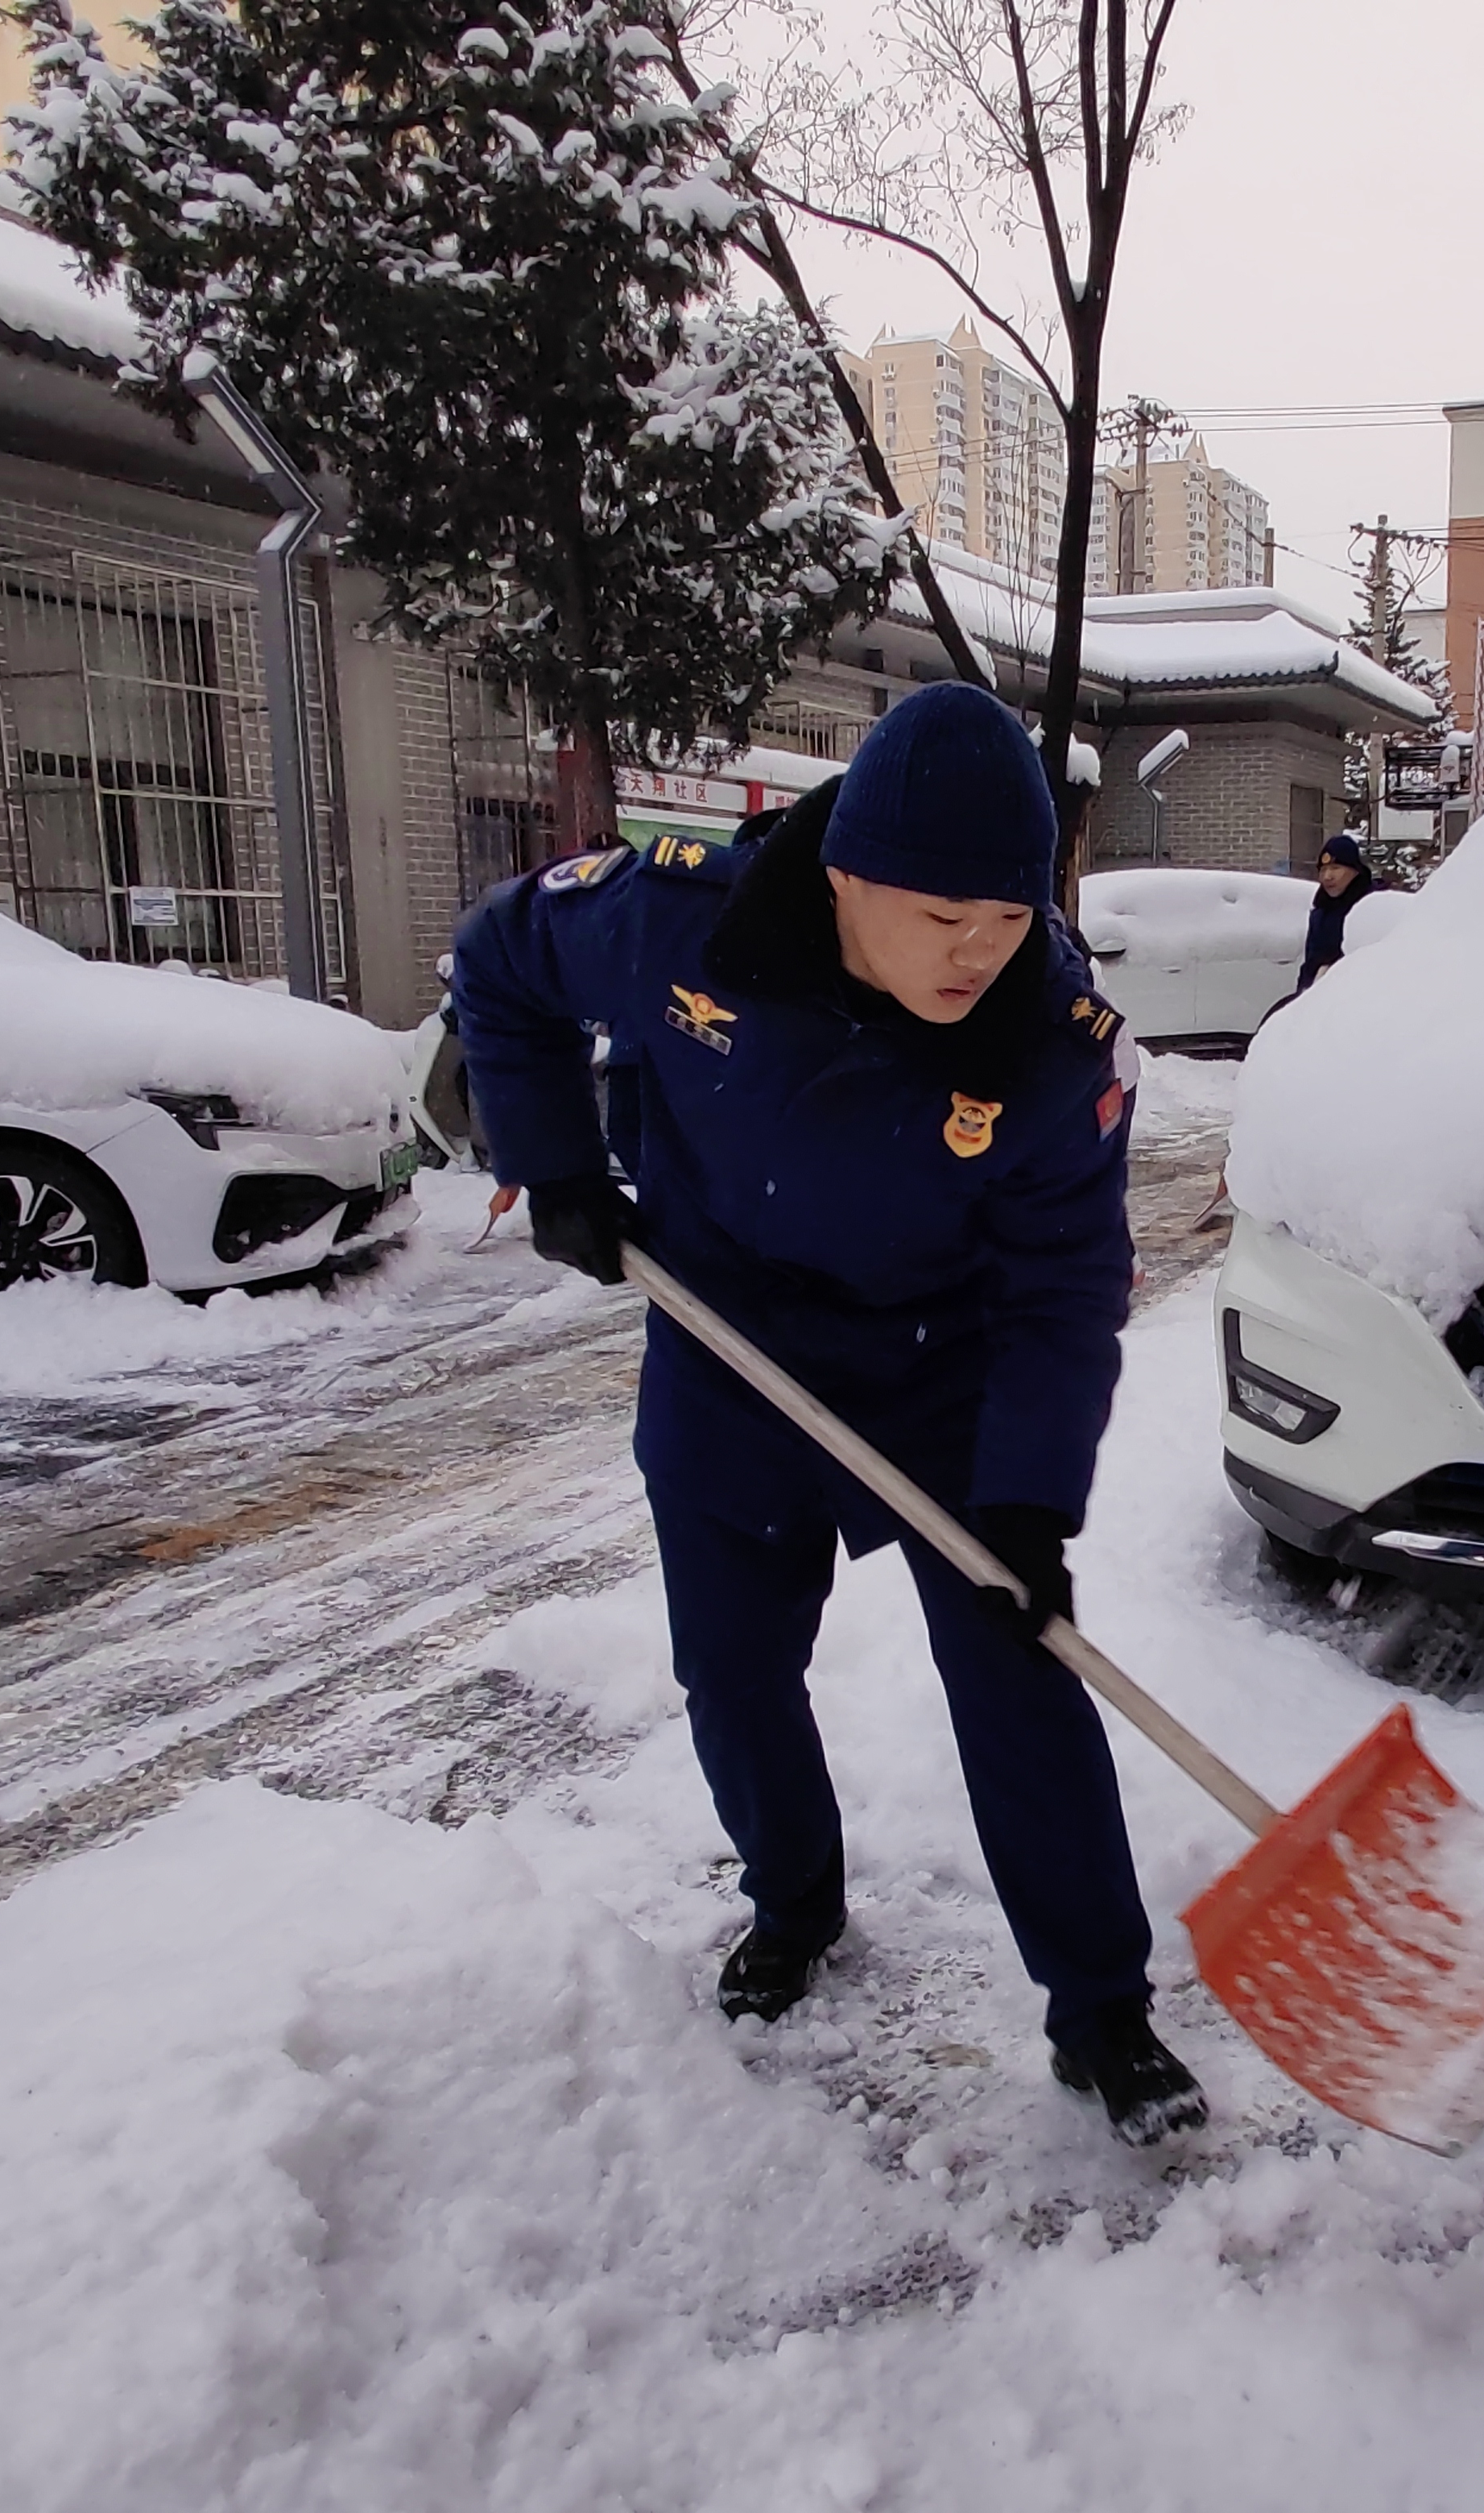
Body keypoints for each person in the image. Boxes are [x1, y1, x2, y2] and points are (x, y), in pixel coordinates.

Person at [449, 684, 1206, 2148]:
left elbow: (1064, 1287)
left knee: (1021, 1672)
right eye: (943, 916)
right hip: (725, 1340)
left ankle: (1103, 2008)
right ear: (848, 875)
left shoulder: (1051, 1042)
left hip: (942, 1371)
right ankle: (793, 1903)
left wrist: (1031, 1500)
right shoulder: (682, 923)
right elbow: (501, 958)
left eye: (1009, 916)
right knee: (733, 1670)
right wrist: (556, 1164)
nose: (980, 951)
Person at [1296, 829, 1373, 992]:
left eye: (1335, 868)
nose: (1327, 877)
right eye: (1323, 870)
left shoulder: (1370, 907)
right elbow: (1310, 965)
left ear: (1355, 871)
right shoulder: (1320, 913)